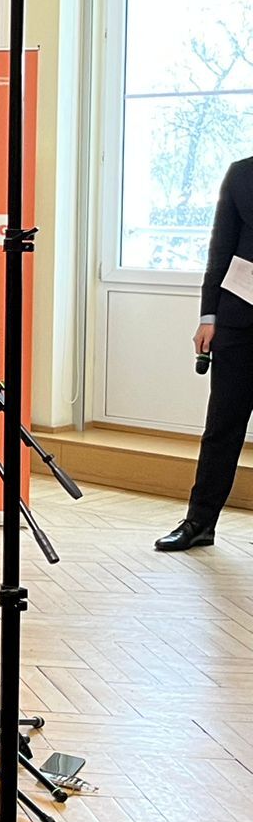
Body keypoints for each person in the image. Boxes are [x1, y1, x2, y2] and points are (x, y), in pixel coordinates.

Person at [160, 156, 253, 550]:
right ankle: (199, 523)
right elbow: (220, 248)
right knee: (221, 428)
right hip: (239, 319)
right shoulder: (242, 173)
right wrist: (208, 316)